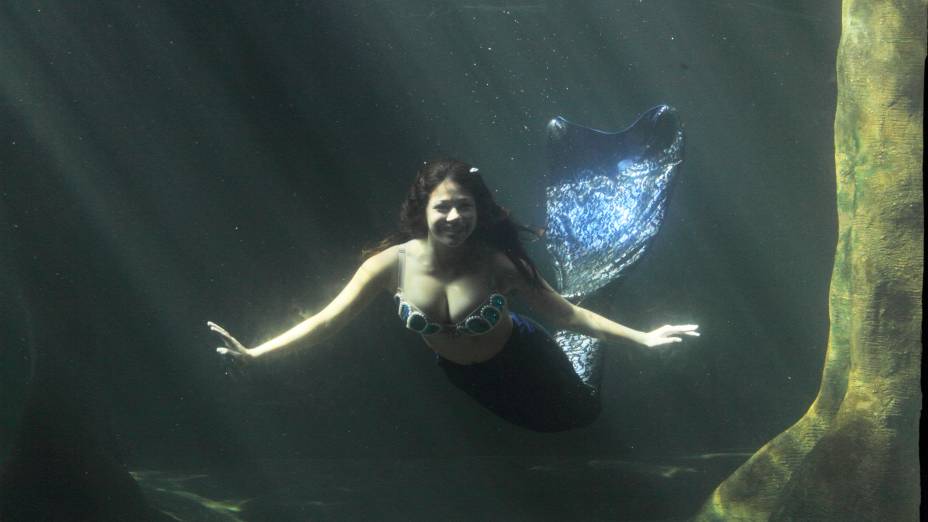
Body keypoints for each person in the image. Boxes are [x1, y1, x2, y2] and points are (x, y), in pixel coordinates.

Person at [208, 159, 699, 432]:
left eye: (464, 207)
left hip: (527, 359)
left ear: (478, 213)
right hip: (467, 380)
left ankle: (601, 309)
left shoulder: (496, 263)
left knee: (581, 415)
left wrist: (644, 339)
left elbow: (564, 314)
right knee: (533, 431)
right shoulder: (388, 266)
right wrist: (256, 353)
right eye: (444, 207)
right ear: (422, 210)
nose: (454, 218)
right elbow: (327, 321)